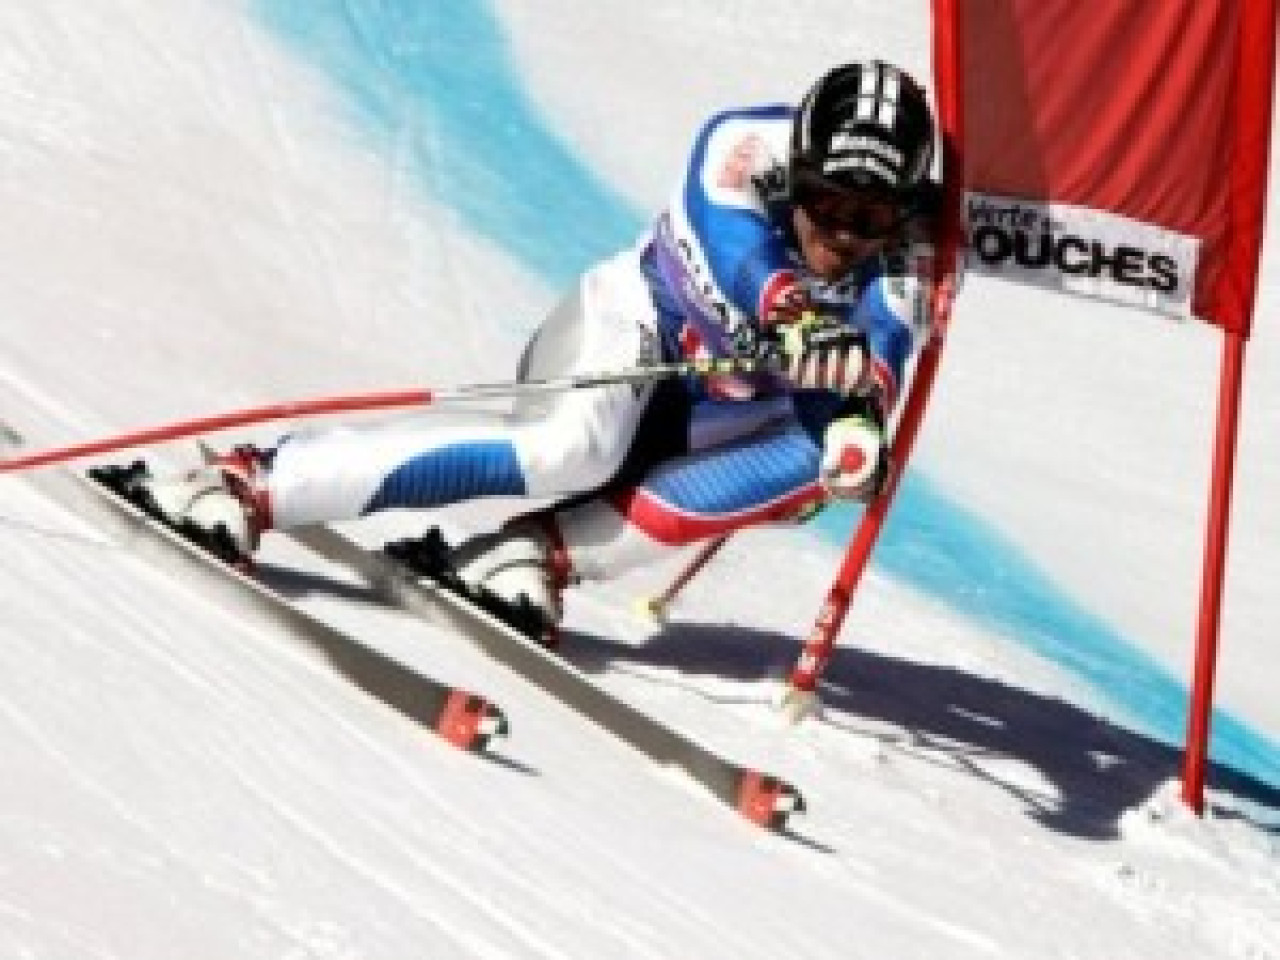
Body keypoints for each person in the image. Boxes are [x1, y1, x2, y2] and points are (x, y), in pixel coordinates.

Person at [140, 60, 939, 711]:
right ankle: (251, 484)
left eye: (869, 219)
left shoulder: (915, 251)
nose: (842, 234)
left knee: (829, 464)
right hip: (636, 336)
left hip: (721, 414)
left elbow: (888, 346)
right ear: (796, 173)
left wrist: (860, 415)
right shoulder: (742, 147)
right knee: (568, 451)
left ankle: (533, 555)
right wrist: (793, 314)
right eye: (828, 203)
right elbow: (739, 252)